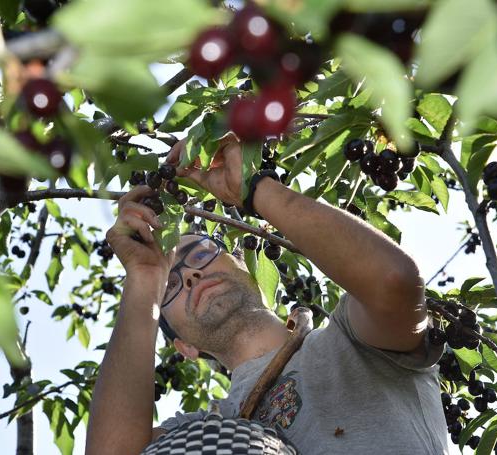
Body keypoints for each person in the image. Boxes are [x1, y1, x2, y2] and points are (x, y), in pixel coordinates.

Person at [85, 137, 449, 454]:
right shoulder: (204, 431)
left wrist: (253, 188)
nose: (192, 273)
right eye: (171, 285)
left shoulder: (351, 340)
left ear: (247, 267)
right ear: (185, 349)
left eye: (200, 254)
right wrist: (145, 277)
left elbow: (393, 281)